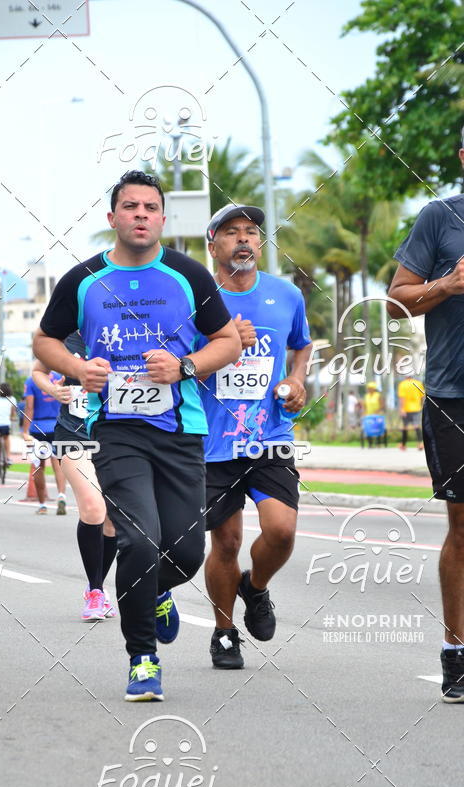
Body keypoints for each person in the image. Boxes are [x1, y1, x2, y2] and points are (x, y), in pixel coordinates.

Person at [33, 170, 240, 701]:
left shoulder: (189, 276)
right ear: (112, 218)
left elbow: (227, 343)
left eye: (151, 207)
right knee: (140, 539)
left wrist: (185, 367)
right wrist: (79, 369)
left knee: (188, 551)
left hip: (180, 430)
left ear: (163, 219)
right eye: (131, 207)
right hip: (116, 432)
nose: (141, 214)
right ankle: (143, 658)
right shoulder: (82, 280)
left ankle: (155, 594)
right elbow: (44, 341)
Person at [195, 204, 312, 668]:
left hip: (270, 437)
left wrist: (298, 380)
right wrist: (219, 346)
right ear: (213, 246)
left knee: (281, 531)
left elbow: (301, 344)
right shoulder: (198, 302)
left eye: (251, 232)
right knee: (224, 542)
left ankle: (256, 587)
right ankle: (224, 633)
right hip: (212, 442)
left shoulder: (285, 295)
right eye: (231, 233)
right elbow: (173, 360)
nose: (244, 239)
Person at [388, 137, 464, 702]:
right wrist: (446, 284)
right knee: (463, 530)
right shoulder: (440, 217)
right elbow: (396, 301)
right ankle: (456, 653)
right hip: (452, 396)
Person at [32, 334, 118, 620]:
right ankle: (95, 591)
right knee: (94, 507)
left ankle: (99, 585)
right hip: (74, 434)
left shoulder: (120, 330)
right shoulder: (66, 337)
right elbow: (38, 371)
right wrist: (53, 391)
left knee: (113, 519)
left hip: (117, 435)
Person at [22, 367, 68, 515]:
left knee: (38, 466)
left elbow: (29, 407)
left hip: (38, 427)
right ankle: (61, 495)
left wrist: (25, 430)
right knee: (58, 463)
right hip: (57, 425)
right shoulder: (60, 377)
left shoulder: (32, 380)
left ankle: (42, 505)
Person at [397, 376, 424, 450]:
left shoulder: (402, 384)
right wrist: (421, 406)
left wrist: (402, 408)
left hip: (406, 408)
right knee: (416, 425)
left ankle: (403, 444)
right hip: (417, 408)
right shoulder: (418, 383)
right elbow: (422, 396)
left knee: (405, 426)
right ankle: (420, 443)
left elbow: (402, 397)